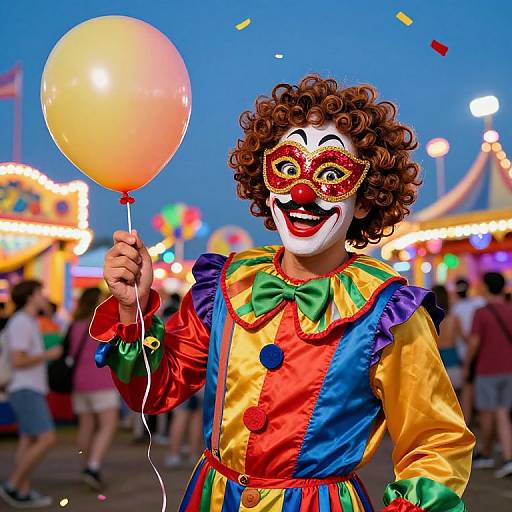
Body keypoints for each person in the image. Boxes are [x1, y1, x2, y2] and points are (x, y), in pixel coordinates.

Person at [91, 75, 474, 510]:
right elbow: (156, 389)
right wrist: (133, 309)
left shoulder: (388, 313)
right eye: (288, 168)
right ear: (266, 181)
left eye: (331, 175)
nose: (302, 192)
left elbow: (437, 443)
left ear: (364, 200)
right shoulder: (227, 285)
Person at [0, 280, 62, 508]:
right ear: (30, 296)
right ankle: (13, 485)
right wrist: (49, 355)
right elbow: (18, 360)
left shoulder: (25, 321)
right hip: (25, 387)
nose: (44, 296)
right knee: (47, 438)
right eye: (40, 292)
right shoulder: (22, 322)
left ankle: (22, 489)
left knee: (28, 440)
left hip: (25, 387)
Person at [69, 288, 120, 490]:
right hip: (101, 381)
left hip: (79, 382)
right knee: (108, 425)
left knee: (86, 426)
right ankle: (93, 466)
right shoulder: (102, 323)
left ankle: (85, 464)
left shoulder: (76, 324)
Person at [468, 272, 512, 478]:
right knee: (503, 413)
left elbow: (474, 343)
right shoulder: (510, 310)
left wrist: (468, 364)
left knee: (487, 413)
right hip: (509, 369)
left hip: (487, 369)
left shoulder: (481, 313)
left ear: (486, 287)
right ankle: (504, 456)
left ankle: (488, 455)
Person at [452, 278, 485, 423]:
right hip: (482, 351)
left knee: (467, 388)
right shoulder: (479, 302)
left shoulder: (456, 308)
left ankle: (466, 421)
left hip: (464, 353)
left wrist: (469, 342)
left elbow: (459, 333)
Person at [432, 285, 465, 392]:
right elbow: (465, 339)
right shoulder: (454, 319)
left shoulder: (430, 319)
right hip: (452, 357)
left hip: (436, 357)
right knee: (456, 395)